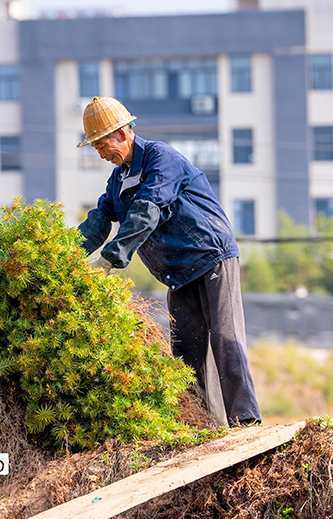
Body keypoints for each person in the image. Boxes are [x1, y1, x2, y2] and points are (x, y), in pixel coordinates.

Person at [76, 96, 262, 426]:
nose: (101, 154)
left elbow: (147, 210)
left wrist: (109, 260)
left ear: (122, 134)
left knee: (225, 337)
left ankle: (246, 423)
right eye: (96, 148)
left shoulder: (161, 159)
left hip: (211, 256)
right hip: (178, 272)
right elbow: (98, 221)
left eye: (102, 145)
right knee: (185, 354)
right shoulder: (118, 180)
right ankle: (203, 427)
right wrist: (64, 256)